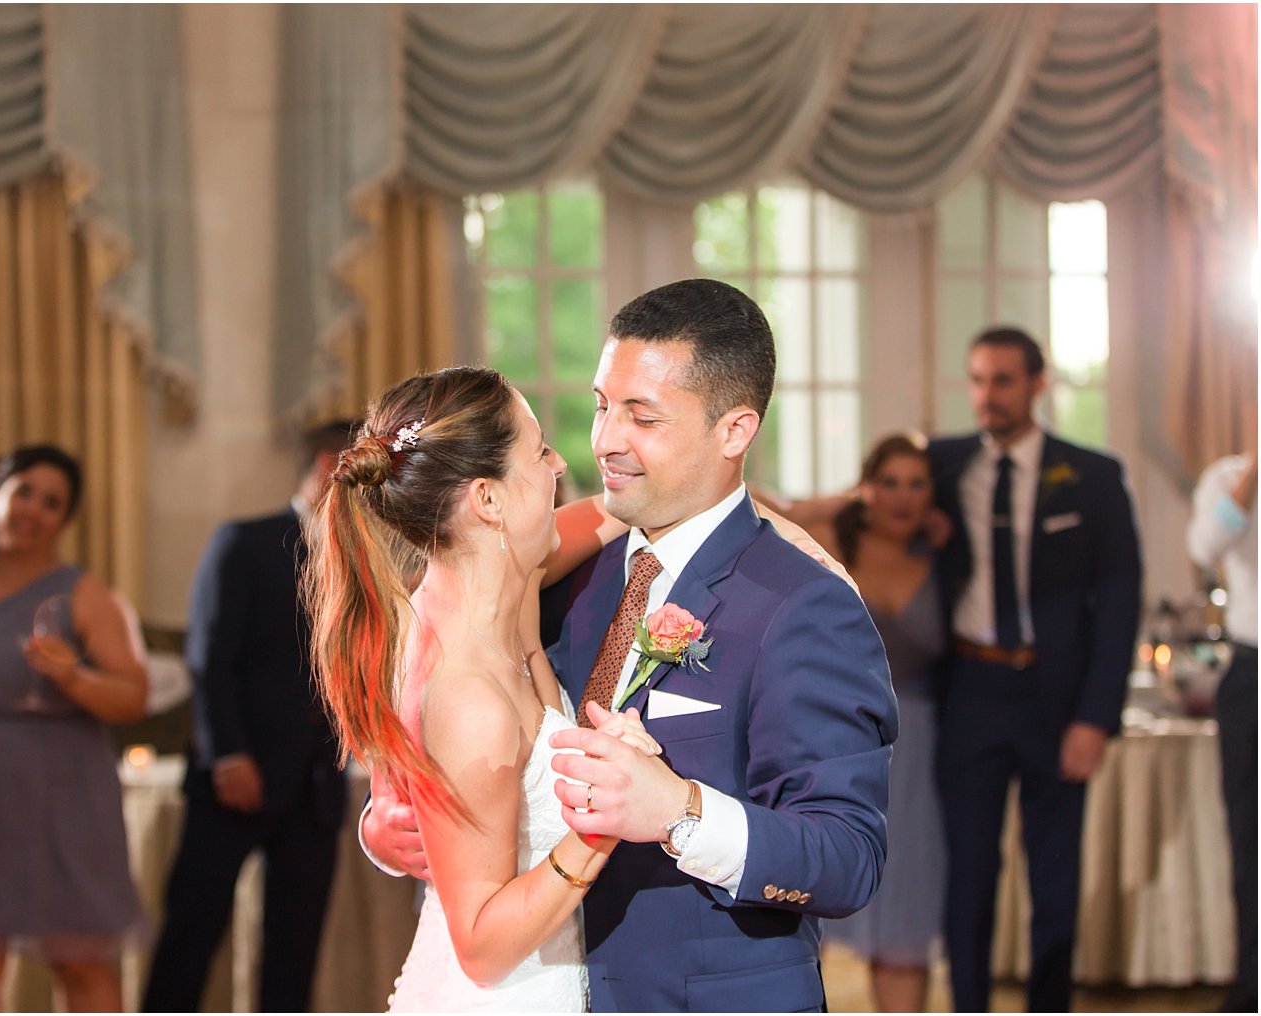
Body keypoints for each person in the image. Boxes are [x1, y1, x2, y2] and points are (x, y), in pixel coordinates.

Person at [366, 278, 900, 1012]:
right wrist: (388, 821)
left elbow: (848, 860)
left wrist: (682, 811)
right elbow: (447, 716)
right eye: (600, 406)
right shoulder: (549, 575)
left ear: (734, 431)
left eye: (642, 418)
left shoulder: (804, 604)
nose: (604, 442)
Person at [308, 366, 670, 1011]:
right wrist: (602, 824)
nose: (559, 462)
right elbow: (479, 948)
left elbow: (608, 515)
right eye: (537, 449)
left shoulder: (504, 583)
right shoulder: (468, 693)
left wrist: (751, 518)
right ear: (487, 498)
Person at [929, 327, 1142, 1012]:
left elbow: (1119, 601)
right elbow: (869, 511)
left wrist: (1095, 718)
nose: (987, 396)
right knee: (969, 873)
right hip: (970, 689)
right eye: (978, 380)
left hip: (1057, 697)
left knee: (1053, 877)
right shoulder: (941, 464)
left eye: (1003, 381)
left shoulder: (1093, 475)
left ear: (1037, 385)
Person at [0, 444, 149, 1012]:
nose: (32, 510)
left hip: (66, 795)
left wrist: (74, 678)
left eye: (51, 503)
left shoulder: (84, 592)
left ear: (63, 520)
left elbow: (133, 697)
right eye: (23, 492)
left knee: (82, 962)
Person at [142, 421, 358, 1013]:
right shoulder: (246, 541)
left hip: (316, 785)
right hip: (238, 775)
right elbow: (210, 660)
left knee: (295, 949)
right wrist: (228, 754)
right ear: (326, 465)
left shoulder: (367, 554)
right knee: (192, 933)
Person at [793, 433, 947, 1012]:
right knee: (813, 897)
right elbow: (752, 499)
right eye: (889, 483)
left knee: (906, 910)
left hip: (919, 757)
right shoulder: (832, 540)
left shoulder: (942, 557)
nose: (903, 499)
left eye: (917, 485)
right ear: (866, 488)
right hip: (832, 742)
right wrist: (841, 504)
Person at [1186, 449, 1256, 1013]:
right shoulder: (1228, 477)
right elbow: (1204, 549)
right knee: (1251, 842)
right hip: (1253, 671)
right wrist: (1253, 475)